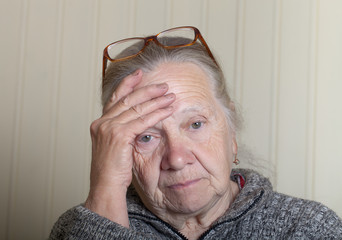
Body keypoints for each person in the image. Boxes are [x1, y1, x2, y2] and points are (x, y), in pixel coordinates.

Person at [50, 26, 342, 239]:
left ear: (232, 132)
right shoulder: (77, 229)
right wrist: (105, 189)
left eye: (196, 124)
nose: (176, 158)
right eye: (146, 137)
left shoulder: (308, 228)